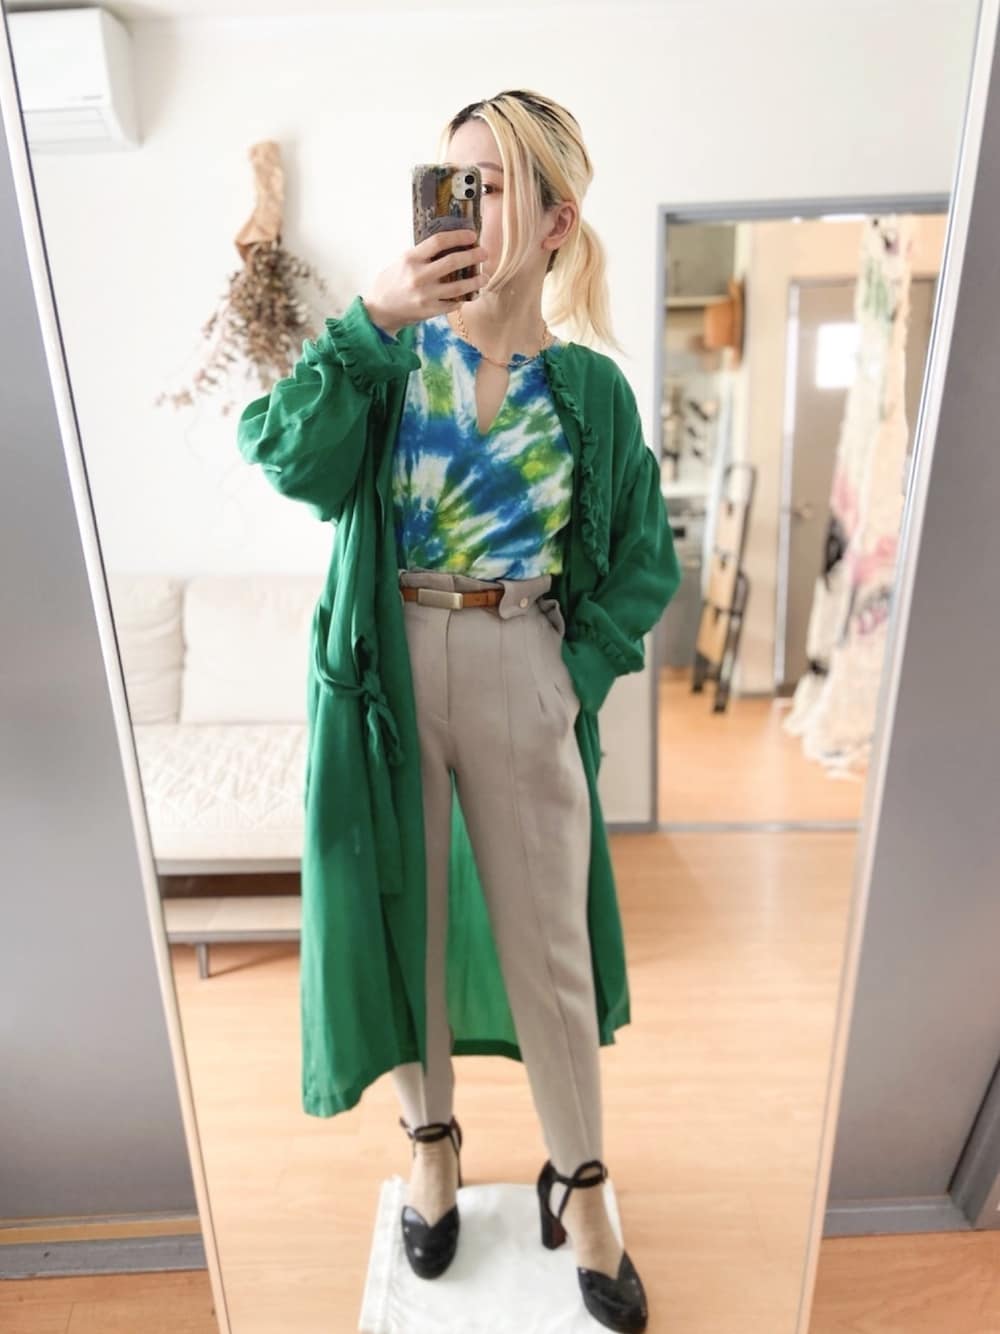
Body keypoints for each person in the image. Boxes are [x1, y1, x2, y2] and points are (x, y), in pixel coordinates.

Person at [237, 89, 679, 1334]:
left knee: (549, 947)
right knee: (409, 922)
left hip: (522, 654)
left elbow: (642, 560)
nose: (466, 205)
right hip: (388, 667)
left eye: (492, 185)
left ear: (557, 221)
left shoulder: (588, 389)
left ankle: (580, 1182)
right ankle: (429, 1144)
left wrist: (570, 671)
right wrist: (373, 316)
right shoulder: (389, 359)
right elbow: (280, 452)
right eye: (452, 182)